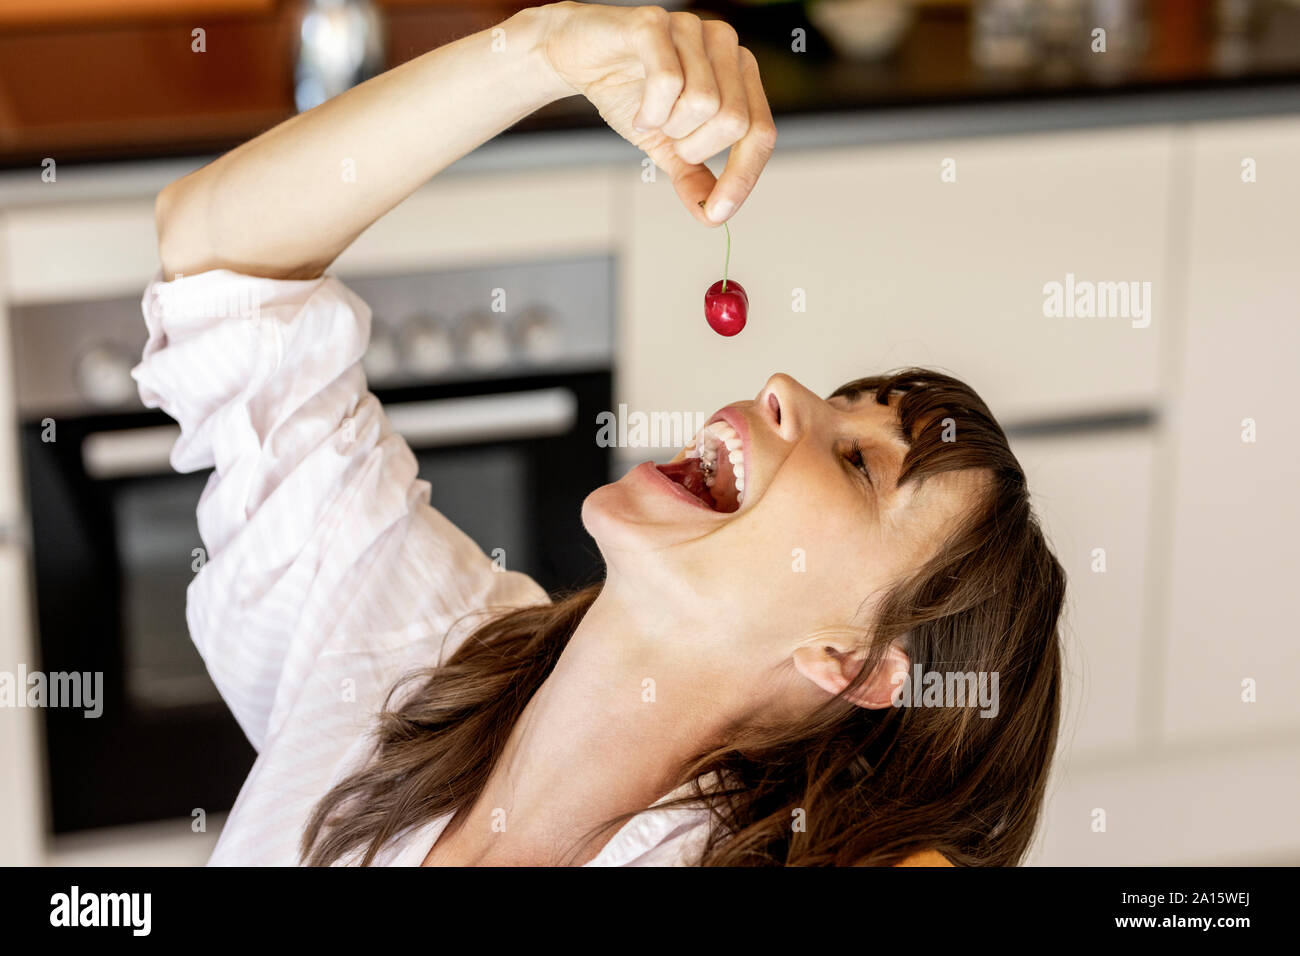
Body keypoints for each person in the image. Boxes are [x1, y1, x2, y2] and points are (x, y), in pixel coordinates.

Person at [136, 2, 1065, 867]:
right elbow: (218, 263)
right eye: (840, 400)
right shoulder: (415, 653)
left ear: (852, 663)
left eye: (860, 463)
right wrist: (545, 48)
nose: (783, 386)